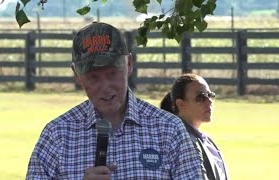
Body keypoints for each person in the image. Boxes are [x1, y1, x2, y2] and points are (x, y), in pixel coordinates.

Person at [26, 22, 205, 179]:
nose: (105, 86)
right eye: (94, 78)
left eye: (112, 74)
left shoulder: (168, 129)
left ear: (129, 64)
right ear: (77, 76)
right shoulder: (57, 135)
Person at [160, 73, 229, 180]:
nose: (209, 101)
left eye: (210, 95)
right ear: (181, 104)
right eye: (201, 97)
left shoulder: (205, 139)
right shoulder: (182, 141)